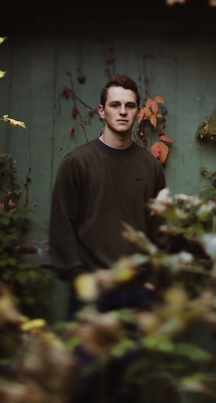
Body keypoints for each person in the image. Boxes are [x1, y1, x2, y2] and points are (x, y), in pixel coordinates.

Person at [49, 74, 167, 310]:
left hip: (139, 294)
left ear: (137, 113)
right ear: (102, 111)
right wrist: (79, 278)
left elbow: (161, 229)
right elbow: (62, 227)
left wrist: (153, 280)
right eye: (115, 105)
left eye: (129, 106)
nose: (122, 111)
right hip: (92, 293)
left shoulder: (150, 166)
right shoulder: (77, 163)